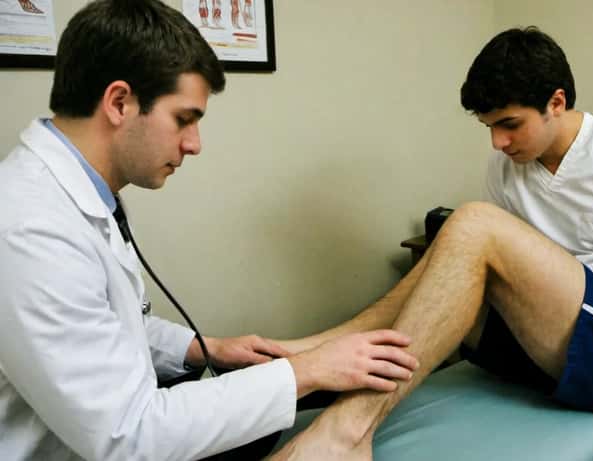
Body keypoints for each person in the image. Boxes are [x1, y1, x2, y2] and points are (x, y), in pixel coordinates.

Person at [269, 27, 593, 460]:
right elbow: (489, 263)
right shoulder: (507, 169)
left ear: (556, 101)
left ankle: (350, 429)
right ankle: (310, 358)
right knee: (448, 265)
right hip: (552, 351)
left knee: (471, 223)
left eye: (510, 124)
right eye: (489, 126)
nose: (497, 141)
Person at [0, 1, 419, 460]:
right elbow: (126, 436)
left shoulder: (81, 194)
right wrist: (307, 371)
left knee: (260, 415)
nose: (194, 145)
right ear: (119, 102)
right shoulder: (28, 228)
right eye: (184, 119)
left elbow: (111, 327)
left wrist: (205, 349)